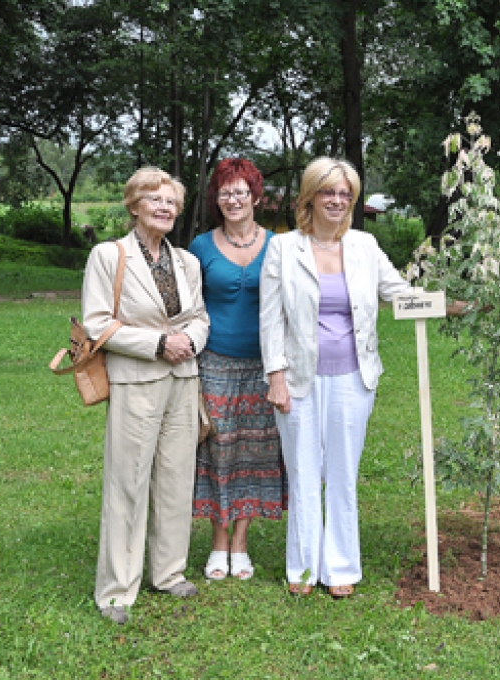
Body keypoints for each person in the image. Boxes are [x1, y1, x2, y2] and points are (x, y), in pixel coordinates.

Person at [260, 157, 411, 598]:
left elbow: (399, 292)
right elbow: (270, 320)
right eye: (329, 192)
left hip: (353, 378)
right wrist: (276, 378)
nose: (338, 201)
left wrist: (451, 302)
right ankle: (304, 567)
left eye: (346, 194)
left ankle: (342, 565)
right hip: (298, 378)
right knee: (303, 471)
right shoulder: (284, 249)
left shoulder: (365, 246)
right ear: (310, 197)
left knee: (343, 474)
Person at [82, 167, 210, 624]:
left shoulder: (187, 262)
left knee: (177, 479)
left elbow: (199, 316)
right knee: (128, 483)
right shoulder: (108, 256)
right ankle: (117, 589)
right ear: (134, 205)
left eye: (172, 202)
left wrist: (189, 341)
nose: (165, 208)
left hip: (183, 378)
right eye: (155, 200)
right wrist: (158, 343)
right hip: (136, 380)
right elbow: (97, 323)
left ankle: (169, 572)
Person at [190, 158, 285, 582]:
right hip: (214, 362)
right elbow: (187, 308)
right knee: (217, 450)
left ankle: (242, 543)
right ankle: (218, 542)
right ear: (217, 199)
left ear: (256, 197)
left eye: (240, 191)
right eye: (225, 191)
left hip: (266, 365)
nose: (232, 198)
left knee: (255, 451)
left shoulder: (279, 246)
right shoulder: (201, 247)